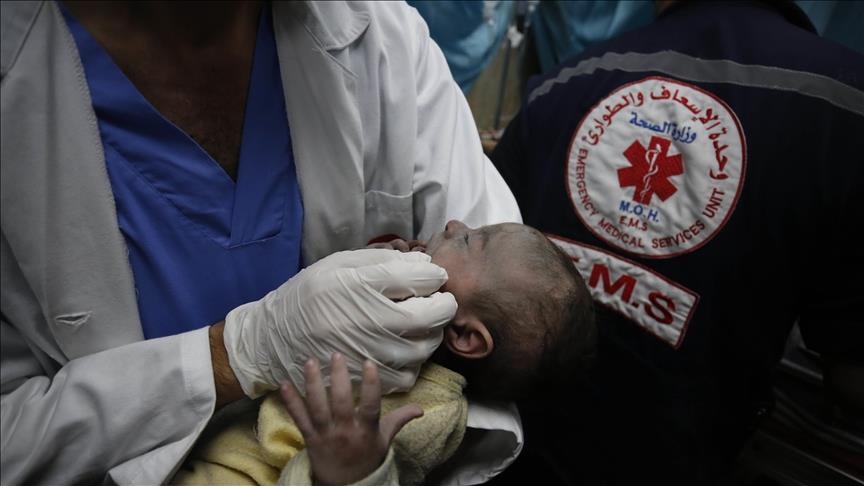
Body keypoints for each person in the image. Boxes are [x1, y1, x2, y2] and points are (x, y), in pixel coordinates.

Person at [0, 1, 523, 484]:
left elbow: (518, 317)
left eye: (468, 240)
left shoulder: (382, 37)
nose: (451, 227)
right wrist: (235, 356)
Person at [487, 0, 864, 484]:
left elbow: (486, 260)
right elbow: (852, 379)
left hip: (510, 452)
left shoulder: (564, 80)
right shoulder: (846, 103)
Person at [174, 220, 597, 485]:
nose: (452, 223)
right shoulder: (390, 326)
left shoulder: (432, 412)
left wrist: (352, 472)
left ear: (466, 336)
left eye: (470, 242)